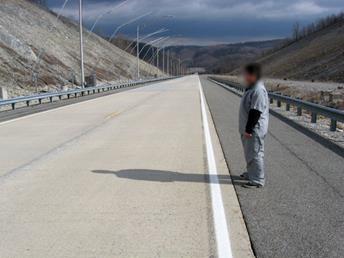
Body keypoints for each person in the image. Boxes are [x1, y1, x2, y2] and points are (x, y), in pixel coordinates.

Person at [239, 63, 269, 189]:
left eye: (246, 75)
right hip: (249, 128)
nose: (244, 77)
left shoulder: (258, 90)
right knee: (249, 152)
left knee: (255, 153)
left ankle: (257, 180)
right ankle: (252, 173)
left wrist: (248, 129)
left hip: (254, 129)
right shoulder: (252, 87)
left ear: (253, 75)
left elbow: (255, 111)